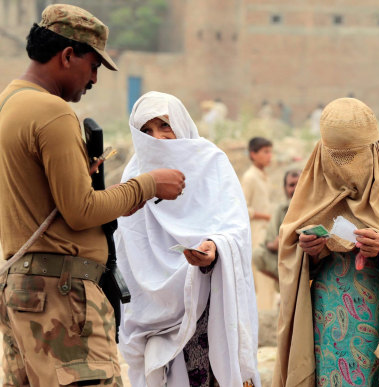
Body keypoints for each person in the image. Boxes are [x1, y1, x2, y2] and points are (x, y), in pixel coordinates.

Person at [0, 5, 185, 386]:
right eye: (94, 65)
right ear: (68, 56)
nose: (95, 79)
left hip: (23, 294)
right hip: (62, 298)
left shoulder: (9, 103)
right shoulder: (53, 112)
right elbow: (81, 211)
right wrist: (148, 184)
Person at [273, 98, 379, 386]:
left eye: (352, 156)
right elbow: (291, 242)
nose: (343, 167)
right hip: (328, 312)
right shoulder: (316, 174)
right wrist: (311, 251)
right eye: (336, 156)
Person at [115, 91, 260, 387]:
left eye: (164, 126)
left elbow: (236, 228)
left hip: (209, 307)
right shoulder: (134, 177)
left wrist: (215, 248)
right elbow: (129, 248)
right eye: (146, 130)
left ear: (180, 123)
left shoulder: (211, 163)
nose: (158, 137)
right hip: (153, 320)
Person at [241, 137, 276, 310]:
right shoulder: (249, 177)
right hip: (257, 232)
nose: (270, 156)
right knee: (261, 277)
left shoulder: (265, 177)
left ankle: (268, 315)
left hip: (267, 231)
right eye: (265, 152)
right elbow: (242, 208)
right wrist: (266, 216)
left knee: (270, 277)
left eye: (270, 151)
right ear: (253, 154)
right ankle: (263, 319)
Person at [253, 169, 301, 287]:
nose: (295, 188)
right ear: (285, 188)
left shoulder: (314, 206)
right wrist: (275, 245)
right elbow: (269, 243)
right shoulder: (281, 210)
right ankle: (285, 284)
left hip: (309, 258)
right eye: (291, 185)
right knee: (258, 254)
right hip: (286, 261)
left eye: (299, 183)